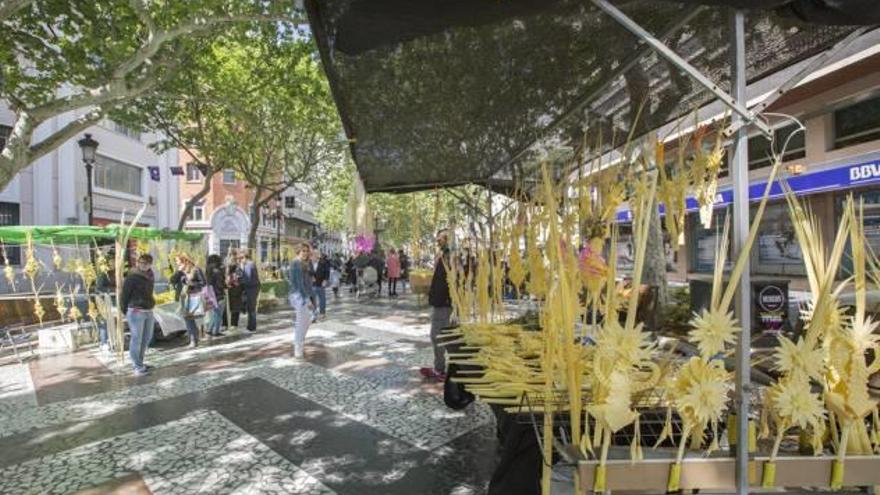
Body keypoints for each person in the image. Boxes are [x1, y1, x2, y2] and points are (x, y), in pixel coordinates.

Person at [421, 229, 452, 380]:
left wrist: (438, 297)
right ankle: (442, 367)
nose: (437, 242)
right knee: (444, 335)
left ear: (447, 240)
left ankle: (440, 369)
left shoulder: (450, 257)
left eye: (440, 239)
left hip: (444, 303)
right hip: (443, 302)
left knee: (437, 336)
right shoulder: (446, 256)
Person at [120, 253, 155, 376]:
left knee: (146, 338)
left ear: (150, 264)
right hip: (136, 311)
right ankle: (137, 367)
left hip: (148, 310)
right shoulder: (132, 277)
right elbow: (124, 295)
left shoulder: (150, 275)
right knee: (136, 339)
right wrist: (125, 311)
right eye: (141, 262)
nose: (143, 265)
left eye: (146, 263)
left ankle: (140, 362)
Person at [288, 243, 314, 358]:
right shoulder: (296, 263)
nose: (305, 253)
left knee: (307, 321)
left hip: (302, 295)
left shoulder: (303, 263)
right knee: (301, 323)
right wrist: (307, 299)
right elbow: (299, 284)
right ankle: (298, 349)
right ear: (298, 251)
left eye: (307, 251)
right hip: (299, 296)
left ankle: (300, 344)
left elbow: (307, 282)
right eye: (303, 250)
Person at [175, 253, 206, 348]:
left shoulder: (196, 270)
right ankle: (192, 339)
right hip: (184, 297)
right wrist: (179, 273)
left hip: (193, 296)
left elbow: (203, 283)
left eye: (179, 262)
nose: (177, 264)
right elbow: (173, 280)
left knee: (189, 319)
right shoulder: (182, 271)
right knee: (188, 319)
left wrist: (191, 283)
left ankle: (194, 340)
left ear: (185, 261)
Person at [237, 249, 260, 333]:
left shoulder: (249, 265)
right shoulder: (250, 264)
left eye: (240, 258)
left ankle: (251, 327)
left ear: (244, 257)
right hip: (253, 288)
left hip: (251, 288)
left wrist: (239, 281)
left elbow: (248, 278)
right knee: (251, 308)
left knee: (251, 308)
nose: (239, 260)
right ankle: (251, 326)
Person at [205, 254, 226, 337]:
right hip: (218, 293)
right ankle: (215, 331)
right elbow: (220, 283)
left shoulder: (208, 269)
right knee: (218, 313)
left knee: (214, 312)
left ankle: (209, 329)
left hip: (210, 293)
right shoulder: (217, 270)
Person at [224, 258, 243, 329]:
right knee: (233, 308)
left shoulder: (234, 273)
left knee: (232, 308)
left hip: (233, 292)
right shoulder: (236, 272)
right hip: (233, 292)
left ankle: (229, 324)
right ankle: (232, 324)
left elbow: (239, 281)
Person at [312, 251, 330, 322]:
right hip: (312, 284)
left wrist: (325, 280)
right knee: (313, 300)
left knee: (322, 299)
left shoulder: (323, 262)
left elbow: (327, 272)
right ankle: (314, 314)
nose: (314, 256)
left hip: (321, 283)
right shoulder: (309, 263)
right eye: (313, 255)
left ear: (318, 256)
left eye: (315, 255)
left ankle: (322, 313)